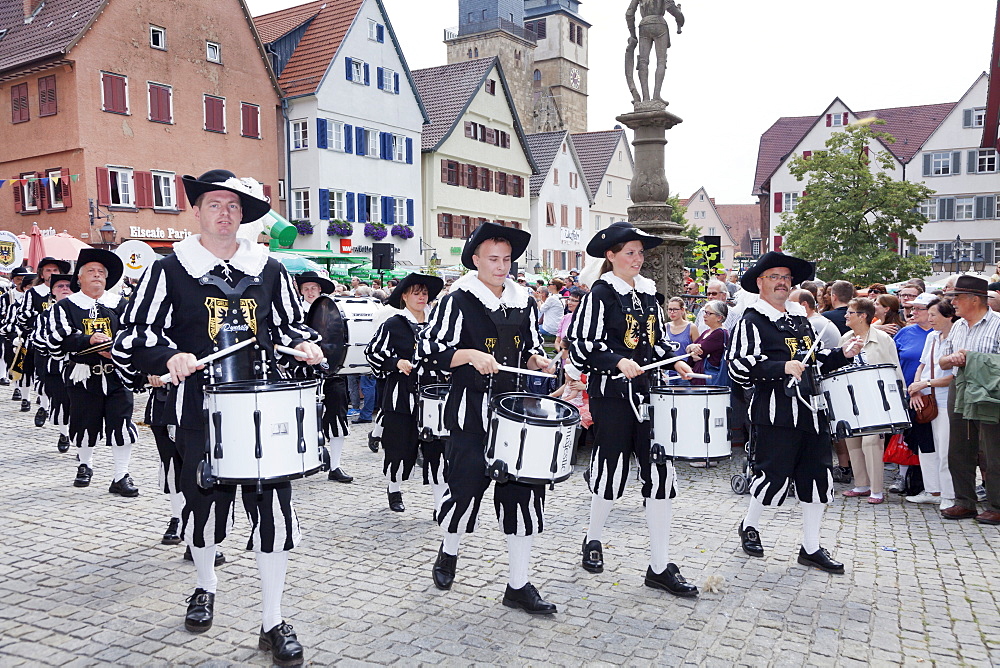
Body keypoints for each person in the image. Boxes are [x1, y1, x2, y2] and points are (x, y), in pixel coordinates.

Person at [112, 169, 324, 666]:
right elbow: (132, 334)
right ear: (198, 210)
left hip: (263, 410)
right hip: (198, 413)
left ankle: (272, 620)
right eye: (214, 204)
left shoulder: (270, 269)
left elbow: (289, 326)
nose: (224, 213)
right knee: (204, 510)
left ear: (243, 215)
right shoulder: (168, 270)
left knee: (273, 517)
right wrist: (167, 357)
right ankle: (205, 585)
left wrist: (304, 346)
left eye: (233, 205)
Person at [420, 222, 557, 614]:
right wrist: (470, 355)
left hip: (516, 414)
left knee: (522, 495)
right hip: (471, 415)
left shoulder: (525, 300)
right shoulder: (457, 299)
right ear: (475, 259)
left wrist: (537, 359)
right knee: (464, 491)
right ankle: (449, 551)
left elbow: (530, 345)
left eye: (506, 260)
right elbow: (430, 350)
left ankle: (518, 584)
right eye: (493, 259)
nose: (501, 267)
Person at [567, 222, 698, 597]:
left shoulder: (649, 294)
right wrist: (616, 361)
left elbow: (654, 344)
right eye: (630, 252)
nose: (637, 259)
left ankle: (659, 566)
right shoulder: (601, 294)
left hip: (649, 393)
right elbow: (581, 346)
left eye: (641, 253)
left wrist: (674, 361)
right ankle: (593, 538)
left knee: (660, 473)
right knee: (611, 470)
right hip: (612, 396)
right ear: (611, 256)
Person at [728, 252, 861, 573]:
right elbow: (737, 367)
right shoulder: (752, 320)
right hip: (775, 414)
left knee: (816, 477)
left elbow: (813, 360)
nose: (782, 283)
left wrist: (842, 353)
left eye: (786, 278)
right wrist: (780, 367)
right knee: (772, 475)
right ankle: (749, 525)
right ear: (760, 282)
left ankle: (811, 547)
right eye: (774, 277)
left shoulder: (800, 319)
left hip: (812, 411)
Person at [44, 249, 139, 493]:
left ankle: (121, 475)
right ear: (79, 278)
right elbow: (56, 340)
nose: (97, 276)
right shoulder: (65, 307)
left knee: (121, 422)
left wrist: (115, 348)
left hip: (117, 375)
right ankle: (85, 465)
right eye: (91, 271)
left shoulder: (120, 305)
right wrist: (88, 341)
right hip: (83, 375)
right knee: (84, 421)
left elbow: (133, 334)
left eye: (101, 273)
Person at [364, 273, 448, 513]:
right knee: (399, 447)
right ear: (404, 296)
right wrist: (395, 362)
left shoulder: (438, 325)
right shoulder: (394, 324)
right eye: (416, 293)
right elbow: (373, 352)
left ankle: (439, 503)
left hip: (434, 397)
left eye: (424, 293)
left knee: (437, 450)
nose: (421, 297)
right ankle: (394, 488)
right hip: (401, 398)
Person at [938, 276, 1000, 524]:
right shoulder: (958, 326)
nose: (953, 302)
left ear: (975, 300)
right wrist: (952, 359)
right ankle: (965, 502)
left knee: (992, 450)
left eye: (957, 297)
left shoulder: (998, 324)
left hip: (989, 391)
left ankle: (996, 505)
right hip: (960, 386)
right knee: (959, 449)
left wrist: (972, 357)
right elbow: (941, 361)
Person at [839, 298, 904, 505]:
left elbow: (894, 368)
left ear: (862, 316)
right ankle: (861, 484)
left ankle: (877, 489)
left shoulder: (882, 339)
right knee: (853, 440)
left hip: (877, 397)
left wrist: (898, 396)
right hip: (851, 397)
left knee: (871, 441)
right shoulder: (846, 337)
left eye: (850, 312)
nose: (845, 315)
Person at [295, 272, 353, 483]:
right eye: (306, 288)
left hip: (332, 372)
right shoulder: (293, 313)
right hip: (302, 373)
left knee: (338, 416)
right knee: (300, 419)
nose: (310, 292)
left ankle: (335, 466)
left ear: (320, 290)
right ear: (301, 291)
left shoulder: (333, 311)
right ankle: (303, 460)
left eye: (314, 288)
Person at [905, 298, 957, 507]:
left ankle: (948, 494)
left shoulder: (957, 338)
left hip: (944, 400)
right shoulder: (932, 338)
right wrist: (917, 389)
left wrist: (924, 383)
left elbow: (954, 377)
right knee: (926, 447)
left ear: (948, 316)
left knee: (945, 448)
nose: (930, 318)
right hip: (925, 399)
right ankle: (932, 490)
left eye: (934, 315)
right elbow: (922, 365)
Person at [890, 293, 935, 493]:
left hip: (933, 395)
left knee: (929, 440)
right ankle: (903, 476)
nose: (912, 312)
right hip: (906, 393)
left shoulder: (941, 333)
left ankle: (928, 481)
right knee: (905, 436)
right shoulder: (905, 332)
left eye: (918, 309)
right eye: (911, 308)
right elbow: (894, 360)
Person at [15, 256, 71, 419]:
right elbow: (22, 317)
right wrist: (41, 321)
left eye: (55, 270)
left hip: (64, 343)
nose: (52, 273)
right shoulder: (34, 293)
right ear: (41, 273)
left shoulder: (68, 291)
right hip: (40, 342)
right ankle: (44, 406)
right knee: (43, 374)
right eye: (48, 270)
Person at [31, 273, 73, 452]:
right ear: (52, 292)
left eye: (68, 286)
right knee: (62, 403)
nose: (64, 289)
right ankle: (65, 433)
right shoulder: (46, 315)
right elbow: (39, 339)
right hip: (56, 366)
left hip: (84, 368)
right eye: (59, 286)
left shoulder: (88, 311)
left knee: (84, 408)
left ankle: (84, 448)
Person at [688, 300, 728, 387]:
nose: (704, 316)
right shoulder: (706, 331)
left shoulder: (719, 333)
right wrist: (691, 347)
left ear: (719, 317)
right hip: (699, 376)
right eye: (705, 312)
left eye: (709, 313)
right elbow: (691, 352)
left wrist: (692, 350)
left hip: (708, 378)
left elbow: (698, 354)